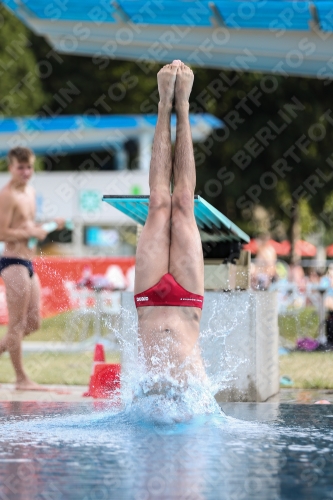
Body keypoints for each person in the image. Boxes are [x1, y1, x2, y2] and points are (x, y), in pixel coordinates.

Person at [134, 61, 206, 391]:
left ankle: (168, 104)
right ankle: (178, 105)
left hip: (150, 299)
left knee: (160, 202)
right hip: (187, 299)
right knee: (181, 202)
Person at [0, 147, 64, 390]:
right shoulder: (7, 195)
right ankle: (21, 380)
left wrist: (48, 225)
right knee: (15, 326)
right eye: (21, 168)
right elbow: (2, 232)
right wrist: (32, 231)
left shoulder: (30, 192)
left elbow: (27, 226)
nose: (26, 172)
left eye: (29, 167)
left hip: (28, 262)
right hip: (12, 262)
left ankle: (17, 370)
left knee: (33, 323)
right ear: (11, 167)